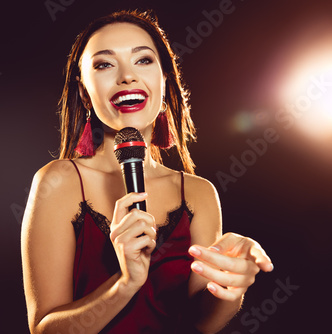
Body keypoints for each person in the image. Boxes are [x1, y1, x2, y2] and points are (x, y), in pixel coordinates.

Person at [21, 9, 273, 334]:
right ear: (84, 92)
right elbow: (44, 329)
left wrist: (231, 286)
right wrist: (125, 284)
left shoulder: (198, 193)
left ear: (164, 80)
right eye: (104, 64)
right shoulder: (58, 182)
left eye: (143, 60)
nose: (127, 76)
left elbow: (201, 324)